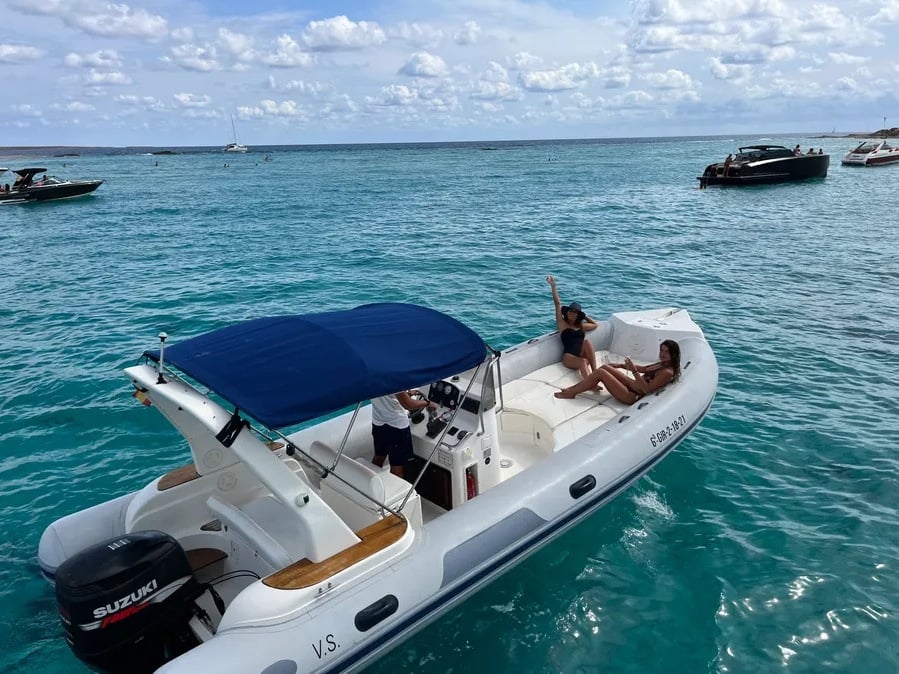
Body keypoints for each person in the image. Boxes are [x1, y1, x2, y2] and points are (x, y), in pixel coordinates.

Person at [554, 339, 681, 405]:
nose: (662, 354)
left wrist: (634, 371)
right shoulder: (662, 364)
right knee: (605, 367)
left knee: (601, 373)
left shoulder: (667, 372)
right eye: (662, 350)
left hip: (632, 395)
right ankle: (575, 388)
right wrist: (620, 365)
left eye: (666, 352)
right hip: (632, 385)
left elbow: (647, 390)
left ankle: (572, 393)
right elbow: (643, 369)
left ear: (673, 355)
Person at [371, 390, 434, 479]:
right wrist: (428, 403)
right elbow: (408, 404)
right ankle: (397, 490)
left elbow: (388, 394)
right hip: (397, 428)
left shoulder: (373, 376)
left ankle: (371, 484)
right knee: (398, 466)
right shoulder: (395, 380)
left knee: (379, 457)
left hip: (378, 423)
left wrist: (405, 394)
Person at [546, 275, 598, 379]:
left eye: (575, 313)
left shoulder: (581, 326)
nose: (572, 314)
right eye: (571, 311)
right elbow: (557, 304)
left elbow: (595, 324)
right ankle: (590, 383)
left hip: (580, 354)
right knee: (583, 361)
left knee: (587, 342)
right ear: (567, 312)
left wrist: (584, 316)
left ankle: (595, 372)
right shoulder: (562, 324)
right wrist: (553, 286)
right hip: (569, 357)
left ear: (578, 316)